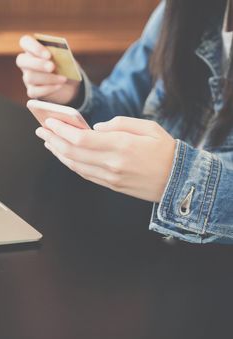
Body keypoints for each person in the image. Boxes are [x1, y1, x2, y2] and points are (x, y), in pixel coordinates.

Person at [16, 0, 233, 243]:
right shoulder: (180, 9)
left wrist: (178, 178)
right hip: (153, 250)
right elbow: (125, 106)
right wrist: (74, 93)